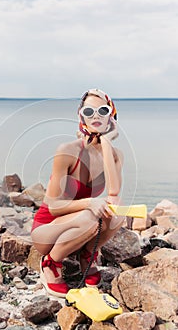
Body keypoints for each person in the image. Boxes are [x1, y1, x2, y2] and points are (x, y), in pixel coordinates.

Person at [31, 88, 124, 298]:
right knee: (91, 216)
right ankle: (51, 263)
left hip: (79, 227)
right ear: (81, 115)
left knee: (117, 215)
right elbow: (54, 207)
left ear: (112, 114)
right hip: (47, 231)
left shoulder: (117, 156)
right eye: (88, 111)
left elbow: (114, 193)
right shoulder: (68, 150)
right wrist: (89, 203)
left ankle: (86, 255)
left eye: (102, 110)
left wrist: (107, 142)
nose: (96, 116)